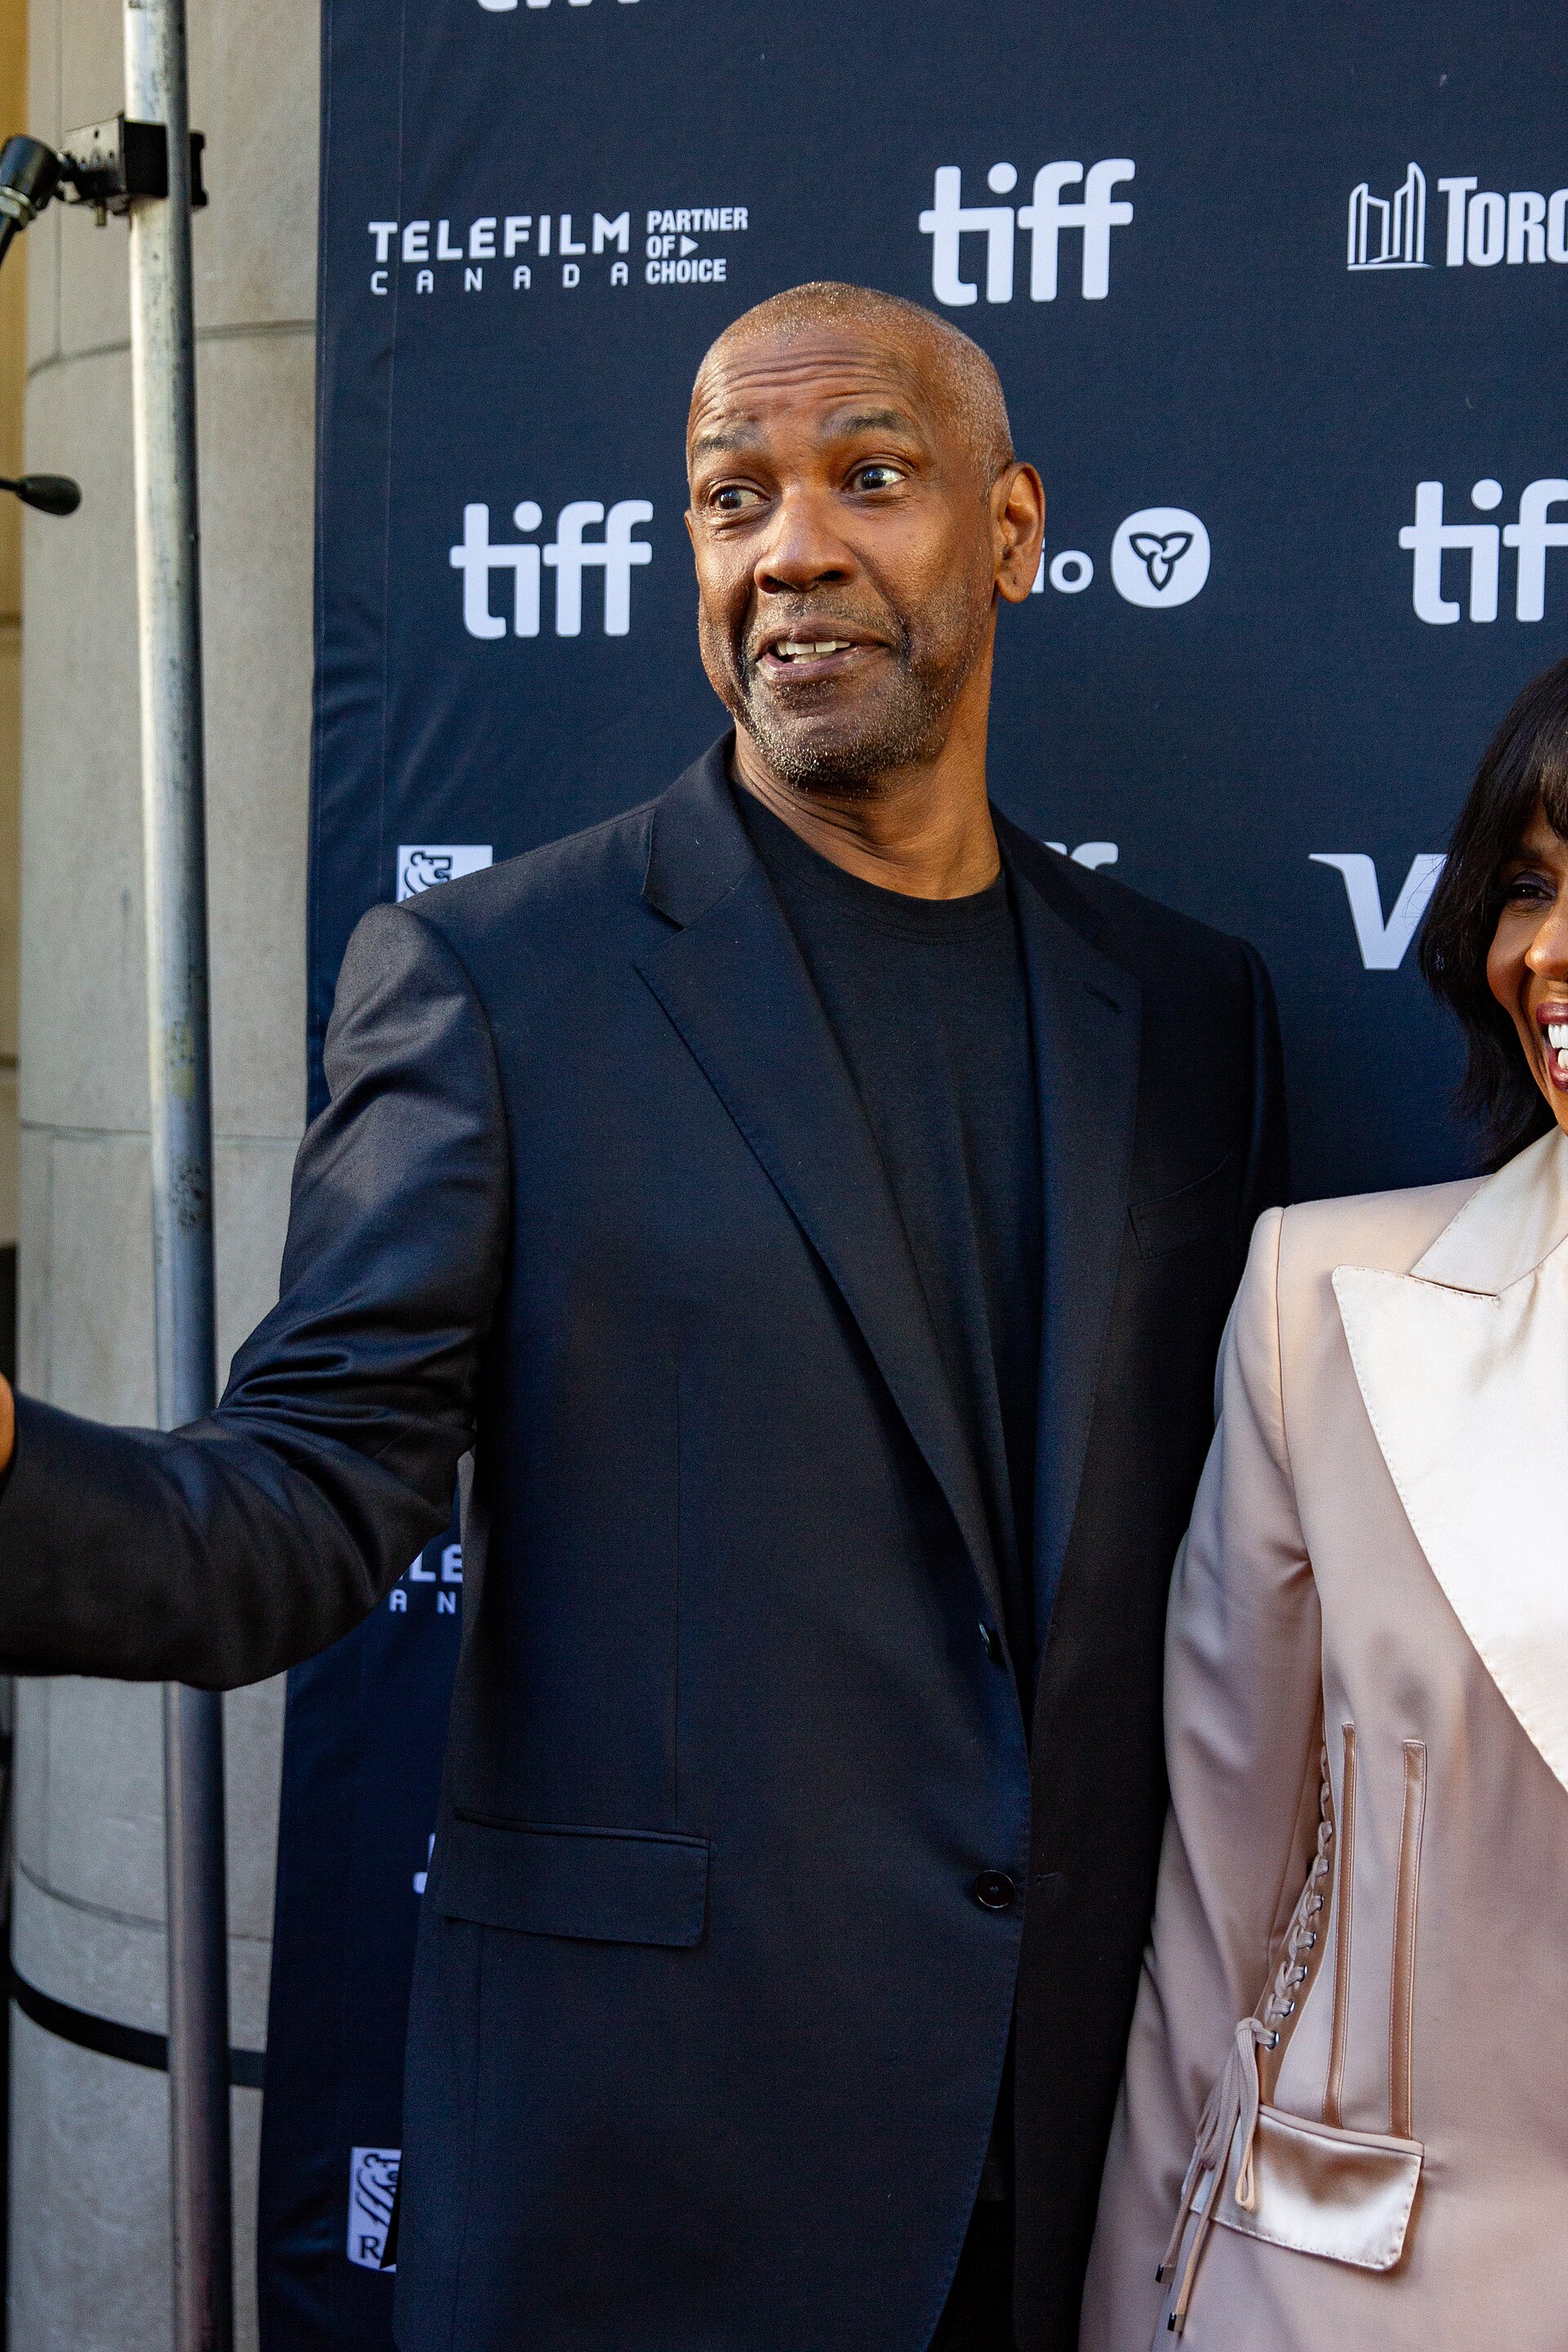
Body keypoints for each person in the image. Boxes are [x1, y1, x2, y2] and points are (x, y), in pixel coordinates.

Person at [0, 283, 1285, 2352]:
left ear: (1017, 527)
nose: (792, 548)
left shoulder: (1191, 1011)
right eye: (731, 498)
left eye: (871, 478)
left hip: (1072, 2190)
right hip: (648, 2203)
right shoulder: (496, 983)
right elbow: (292, 1511)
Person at [1080, 650, 1568, 2351]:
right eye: (1528, 884)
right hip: (1348, 2288)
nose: (1548, 949)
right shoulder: (1327, 1306)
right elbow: (1216, 1916)